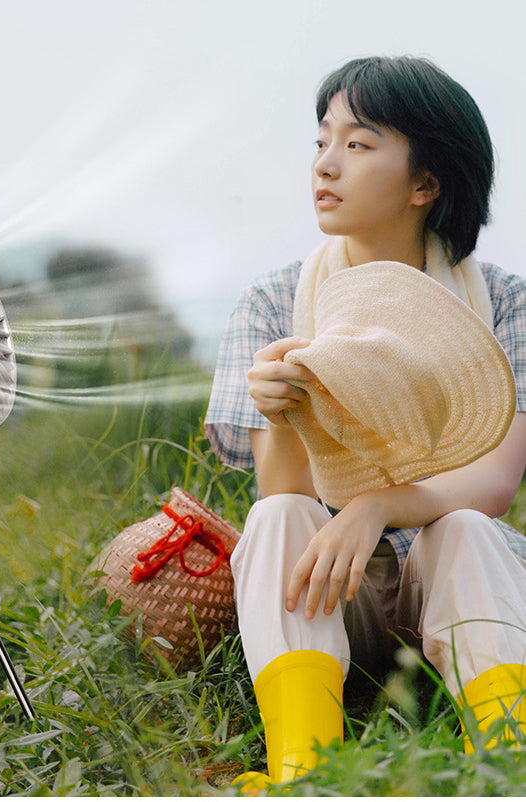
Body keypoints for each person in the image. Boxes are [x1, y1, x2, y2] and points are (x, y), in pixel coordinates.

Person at [205, 55, 526, 789]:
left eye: (358, 144)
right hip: (329, 595)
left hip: (448, 587)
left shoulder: (505, 303)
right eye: (322, 142)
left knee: (470, 529)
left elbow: (496, 481)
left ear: (425, 183)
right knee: (281, 518)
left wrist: (378, 504)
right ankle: (302, 769)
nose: (325, 165)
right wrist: (284, 408)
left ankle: (509, 761)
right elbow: (279, 492)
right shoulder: (275, 299)